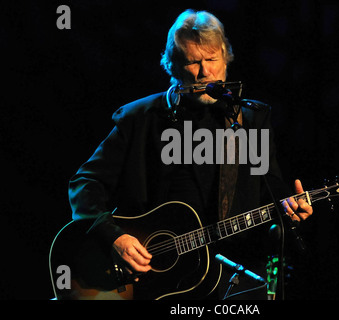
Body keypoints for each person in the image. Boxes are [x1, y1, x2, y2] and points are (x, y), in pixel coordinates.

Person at [68, 9, 313, 299]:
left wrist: (289, 211)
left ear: (226, 59)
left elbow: (270, 189)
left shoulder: (250, 118)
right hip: (151, 281)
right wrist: (114, 237)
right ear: (173, 67)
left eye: (211, 60)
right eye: (193, 62)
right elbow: (85, 183)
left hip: (228, 278)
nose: (204, 72)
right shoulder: (141, 117)